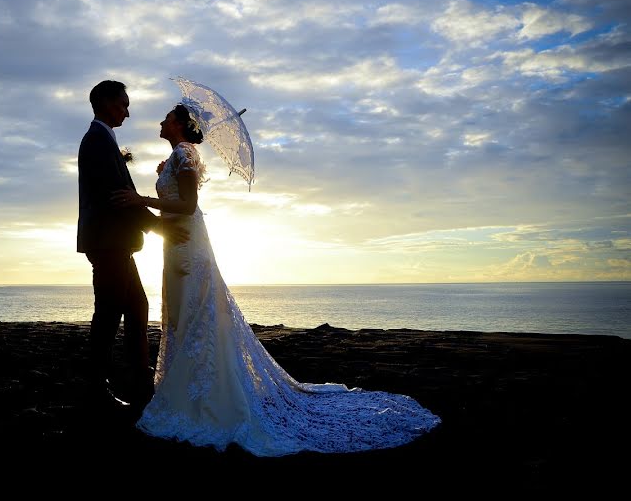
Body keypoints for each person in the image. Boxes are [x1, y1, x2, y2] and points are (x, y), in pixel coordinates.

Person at [111, 103, 441, 456]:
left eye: (166, 118)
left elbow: (189, 206)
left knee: (194, 316)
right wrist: (163, 180)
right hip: (176, 244)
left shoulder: (185, 156)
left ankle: (202, 391)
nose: (160, 121)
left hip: (188, 246)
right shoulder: (178, 157)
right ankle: (186, 384)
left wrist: (140, 198)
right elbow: (178, 201)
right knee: (180, 316)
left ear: (178, 124)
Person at [77, 80, 188, 413]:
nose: (127, 110)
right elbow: (117, 197)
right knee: (109, 315)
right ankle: (97, 388)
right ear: (107, 103)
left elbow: (123, 195)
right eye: (123, 104)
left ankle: (140, 380)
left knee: (137, 310)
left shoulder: (104, 140)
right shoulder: (96, 140)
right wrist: (158, 227)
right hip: (108, 243)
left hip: (117, 244)